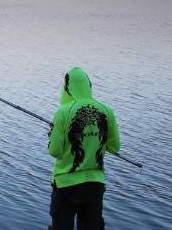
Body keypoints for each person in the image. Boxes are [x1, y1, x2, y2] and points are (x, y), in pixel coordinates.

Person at [47, 67, 120, 230]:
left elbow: (55, 151)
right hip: (94, 185)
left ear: (67, 88)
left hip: (66, 185)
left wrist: (52, 134)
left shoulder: (63, 112)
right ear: (88, 85)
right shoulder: (107, 110)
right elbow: (114, 147)